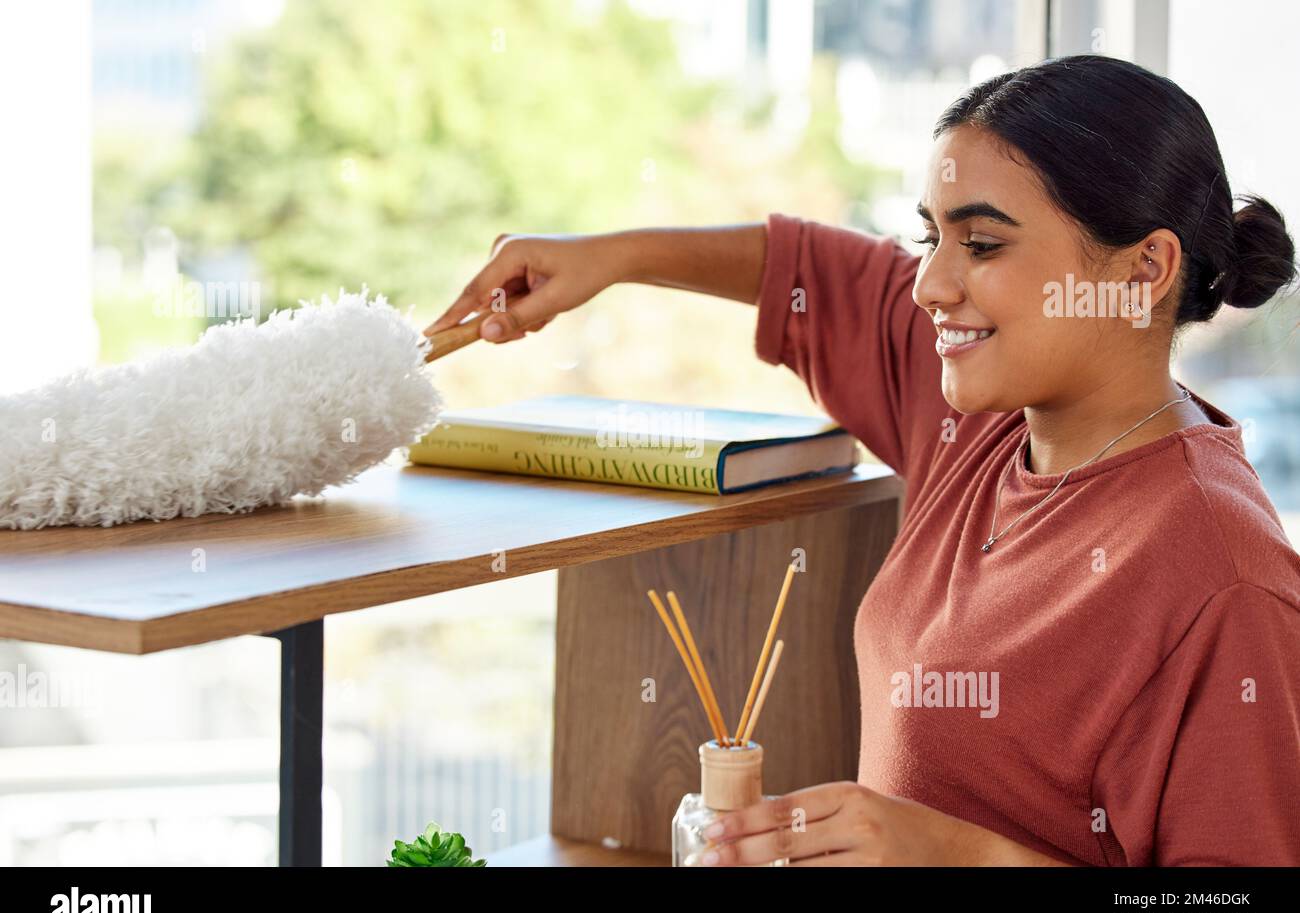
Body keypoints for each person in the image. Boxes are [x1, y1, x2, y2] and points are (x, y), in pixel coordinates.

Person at [425, 55, 1300, 866]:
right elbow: (809, 271)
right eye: (932, 239)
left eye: (983, 245)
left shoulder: (1227, 579)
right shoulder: (983, 421)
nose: (931, 284)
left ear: (1143, 268)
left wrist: (957, 854)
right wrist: (611, 258)